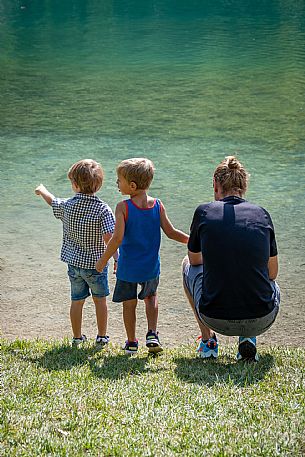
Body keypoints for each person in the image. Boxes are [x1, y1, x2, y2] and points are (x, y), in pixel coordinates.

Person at [183, 155, 280, 361]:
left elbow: (194, 261)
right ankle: (248, 339)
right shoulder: (261, 214)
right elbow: (272, 273)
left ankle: (208, 342)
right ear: (244, 186)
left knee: (185, 265)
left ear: (215, 184)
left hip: (214, 318)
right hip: (262, 318)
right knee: (268, 278)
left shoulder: (204, 211)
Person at [96, 158, 189, 355]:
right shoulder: (158, 205)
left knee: (129, 305)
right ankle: (152, 333)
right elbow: (171, 232)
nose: (117, 184)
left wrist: (103, 260)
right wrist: (192, 240)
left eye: (119, 180)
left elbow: (117, 239)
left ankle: (131, 342)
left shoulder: (123, 207)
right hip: (150, 268)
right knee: (151, 298)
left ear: (132, 185)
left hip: (128, 268)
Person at [35, 159, 117, 347]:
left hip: (74, 265)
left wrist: (42, 190)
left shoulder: (67, 206)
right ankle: (102, 336)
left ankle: (77, 337)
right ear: (99, 185)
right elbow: (109, 237)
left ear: (75, 185)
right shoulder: (102, 209)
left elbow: (52, 201)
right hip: (96, 266)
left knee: (77, 301)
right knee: (100, 301)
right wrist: (116, 258)